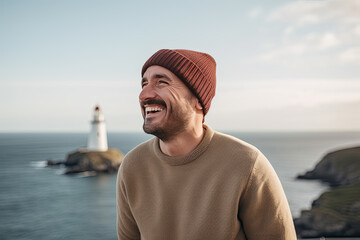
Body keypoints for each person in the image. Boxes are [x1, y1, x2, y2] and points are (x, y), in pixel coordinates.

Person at [116, 49, 297, 240]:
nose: (144, 94)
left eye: (161, 82)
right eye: (144, 83)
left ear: (198, 100)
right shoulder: (132, 166)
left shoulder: (247, 164)